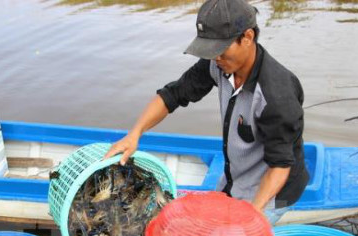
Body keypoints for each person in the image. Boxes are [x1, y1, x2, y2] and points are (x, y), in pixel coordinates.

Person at [104, 0, 309, 222]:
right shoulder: (218, 65)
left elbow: (279, 165)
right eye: (210, 50)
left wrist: (254, 215)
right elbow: (173, 95)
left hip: (271, 193)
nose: (215, 57)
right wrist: (135, 133)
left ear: (247, 37)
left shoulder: (276, 95)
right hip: (236, 177)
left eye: (220, 50)